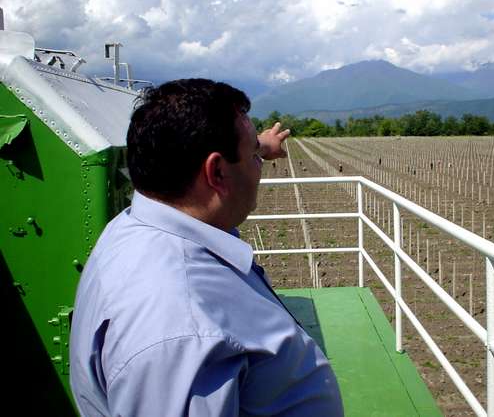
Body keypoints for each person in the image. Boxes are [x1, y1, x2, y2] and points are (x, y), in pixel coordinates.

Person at [69, 79, 344, 416]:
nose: (259, 166)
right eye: (253, 156)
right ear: (215, 172)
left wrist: (256, 147)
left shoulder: (140, 223)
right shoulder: (181, 328)